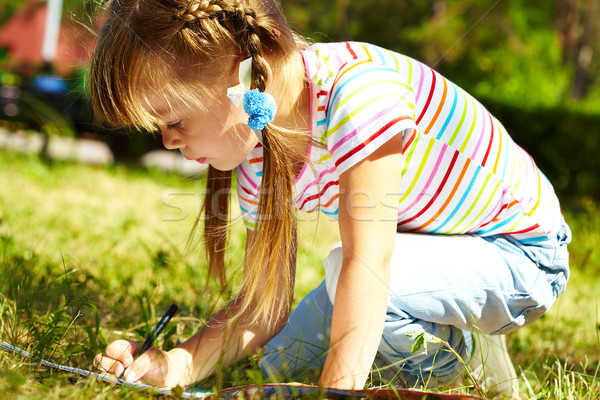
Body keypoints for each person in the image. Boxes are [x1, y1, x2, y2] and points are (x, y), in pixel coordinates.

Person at [91, 0, 571, 398]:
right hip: (441, 255)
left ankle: (460, 364)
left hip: (521, 254)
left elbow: (371, 262)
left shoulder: (357, 94)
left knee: (349, 274)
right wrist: (175, 365)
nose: (168, 142)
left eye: (173, 121)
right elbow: (264, 304)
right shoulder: (259, 156)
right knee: (281, 362)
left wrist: (335, 392)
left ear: (241, 76)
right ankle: (463, 338)